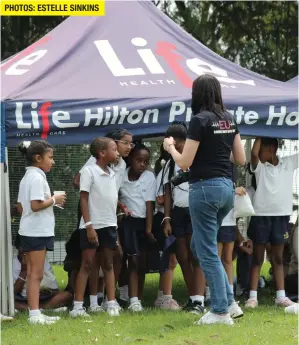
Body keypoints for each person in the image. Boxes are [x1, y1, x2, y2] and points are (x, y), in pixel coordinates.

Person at [163, 74, 246, 325]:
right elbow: (240, 159)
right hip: (226, 189)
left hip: (205, 190)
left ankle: (220, 311)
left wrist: (170, 148)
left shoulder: (199, 120)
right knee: (201, 247)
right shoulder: (228, 119)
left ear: (196, 94)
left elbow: (185, 162)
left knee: (206, 249)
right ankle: (230, 302)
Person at [17, 140, 66, 325]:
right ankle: (35, 315)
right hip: (36, 232)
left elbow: (22, 208)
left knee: (33, 273)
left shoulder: (28, 177)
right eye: (50, 157)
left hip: (31, 231)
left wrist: (51, 201)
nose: (53, 161)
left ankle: (35, 313)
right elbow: (35, 205)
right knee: (35, 274)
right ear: (38, 158)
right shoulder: (37, 177)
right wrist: (54, 199)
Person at [70, 137, 121, 317]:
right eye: (114, 149)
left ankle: (112, 303)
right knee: (87, 264)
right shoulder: (89, 172)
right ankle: (77, 307)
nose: (118, 153)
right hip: (91, 226)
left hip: (109, 224)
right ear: (102, 153)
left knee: (108, 263)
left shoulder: (113, 173)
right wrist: (89, 226)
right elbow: (83, 198)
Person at [246, 138, 298, 309]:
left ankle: (281, 296)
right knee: (258, 258)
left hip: (281, 217)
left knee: (277, 257)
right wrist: (261, 133)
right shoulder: (259, 167)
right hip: (261, 216)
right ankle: (252, 297)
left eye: (262, 149)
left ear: (272, 148)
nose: (259, 153)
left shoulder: (288, 162)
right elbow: (253, 153)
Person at [163, 122, 206, 314]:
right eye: (175, 146)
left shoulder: (196, 158)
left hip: (196, 209)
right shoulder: (170, 164)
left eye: (181, 146)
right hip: (178, 213)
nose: (178, 150)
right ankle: (192, 298)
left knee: (197, 256)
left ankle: (200, 300)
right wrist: (167, 218)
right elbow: (167, 191)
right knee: (182, 256)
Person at [119, 143, 156, 312]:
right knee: (132, 260)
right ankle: (132, 299)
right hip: (128, 223)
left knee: (141, 263)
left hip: (145, 223)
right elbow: (113, 195)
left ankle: (138, 299)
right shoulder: (121, 176)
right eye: (138, 160)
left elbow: (149, 204)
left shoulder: (149, 177)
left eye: (146, 161)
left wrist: (149, 230)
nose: (142, 164)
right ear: (130, 159)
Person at [14, 235, 72, 312]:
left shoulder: (42, 262)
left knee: (66, 295)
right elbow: (12, 293)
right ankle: (42, 309)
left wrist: (47, 291)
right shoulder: (12, 264)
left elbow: (55, 290)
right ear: (19, 248)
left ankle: (35, 309)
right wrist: (23, 272)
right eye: (24, 249)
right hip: (21, 299)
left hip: (42, 298)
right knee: (8, 302)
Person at [153, 145, 179, 310]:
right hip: (163, 218)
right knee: (170, 259)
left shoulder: (167, 167)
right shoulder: (168, 168)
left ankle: (162, 296)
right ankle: (166, 297)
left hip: (167, 218)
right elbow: (161, 198)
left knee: (171, 259)